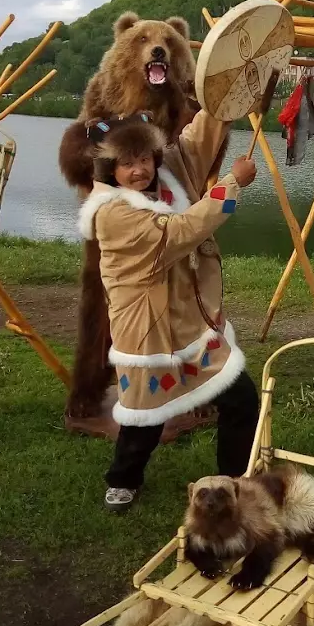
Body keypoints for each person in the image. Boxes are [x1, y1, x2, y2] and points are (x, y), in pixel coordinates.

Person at [78, 111, 259, 512]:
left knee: (242, 399)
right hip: (146, 326)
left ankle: (232, 481)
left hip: (190, 322)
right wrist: (231, 184)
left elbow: (196, 140)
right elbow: (179, 233)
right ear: (110, 167)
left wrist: (225, 100)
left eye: (145, 158)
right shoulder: (111, 213)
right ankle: (122, 480)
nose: (139, 169)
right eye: (126, 163)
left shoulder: (169, 175)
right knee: (145, 412)